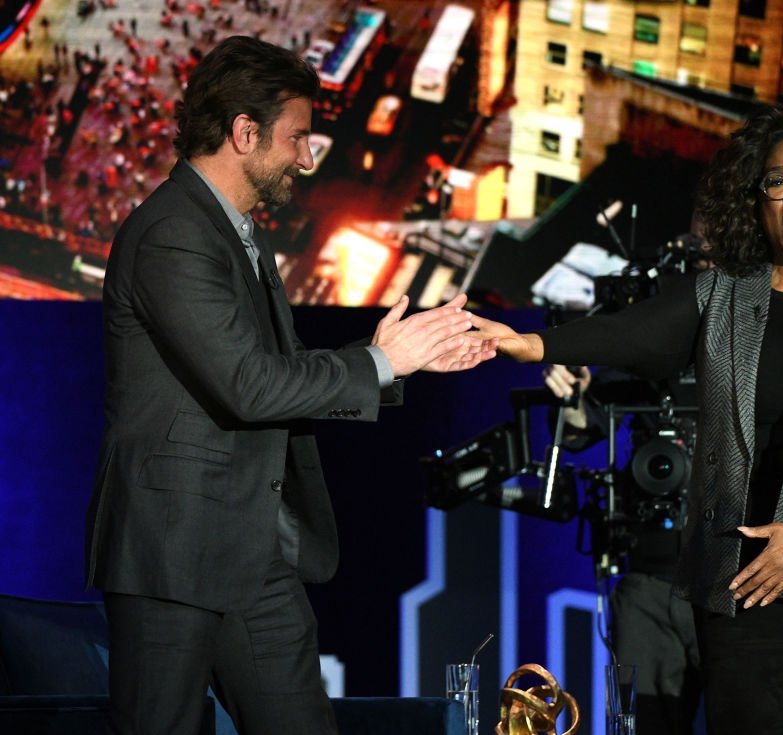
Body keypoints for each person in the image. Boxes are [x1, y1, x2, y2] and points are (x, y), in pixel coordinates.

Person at [472, 106, 783, 734]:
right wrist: (534, 344)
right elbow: (629, 334)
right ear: (757, 201)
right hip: (743, 562)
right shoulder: (721, 293)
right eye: (778, 181)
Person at [84, 36, 495, 735]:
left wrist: (397, 360)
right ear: (245, 133)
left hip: (255, 554)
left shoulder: (235, 230)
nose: (308, 157)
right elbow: (248, 383)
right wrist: (381, 361)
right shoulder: (174, 233)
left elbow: (278, 371)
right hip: (173, 556)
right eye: (297, 137)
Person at [543, 363, 702, 735]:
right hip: (648, 582)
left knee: (751, 717)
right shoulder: (645, 340)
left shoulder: (749, 338)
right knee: (644, 724)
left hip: (736, 578)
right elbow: (584, 423)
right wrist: (573, 400)